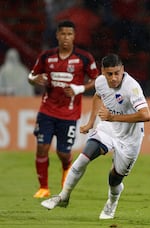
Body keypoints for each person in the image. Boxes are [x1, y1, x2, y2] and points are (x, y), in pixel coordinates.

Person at [40, 53, 150, 220]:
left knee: (114, 179)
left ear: (123, 70)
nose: (113, 78)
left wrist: (113, 117)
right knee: (83, 158)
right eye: (109, 74)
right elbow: (98, 96)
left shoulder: (132, 88)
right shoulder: (100, 82)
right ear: (102, 72)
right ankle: (63, 196)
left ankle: (112, 203)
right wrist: (91, 122)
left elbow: (146, 115)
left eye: (117, 73)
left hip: (129, 139)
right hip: (108, 128)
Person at [28, 20, 99, 198]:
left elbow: (97, 80)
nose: (66, 37)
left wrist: (79, 89)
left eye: (69, 34)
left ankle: (67, 168)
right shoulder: (46, 56)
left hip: (69, 114)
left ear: (74, 36)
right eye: (63, 34)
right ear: (57, 35)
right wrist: (34, 80)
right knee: (42, 148)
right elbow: (32, 75)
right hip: (47, 110)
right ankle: (43, 188)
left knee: (63, 153)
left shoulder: (84, 57)